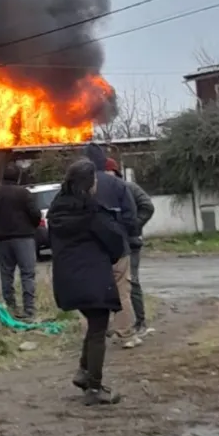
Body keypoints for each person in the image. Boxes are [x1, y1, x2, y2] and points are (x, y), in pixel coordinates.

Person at [47, 159, 126, 406]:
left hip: (67, 278)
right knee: (99, 330)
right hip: (92, 276)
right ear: (88, 184)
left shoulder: (57, 210)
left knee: (94, 325)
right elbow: (114, 240)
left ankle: (83, 373)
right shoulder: (91, 212)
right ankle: (94, 387)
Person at [84, 144, 140, 342]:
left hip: (90, 247)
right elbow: (131, 215)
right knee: (121, 290)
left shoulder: (78, 186)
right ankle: (126, 334)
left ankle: (98, 333)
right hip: (117, 246)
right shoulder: (117, 184)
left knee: (95, 290)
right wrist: (127, 234)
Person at [106, 159, 156, 341]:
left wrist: (134, 227)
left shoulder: (129, 188)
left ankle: (140, 322)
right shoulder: (103, 191)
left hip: (131, 243)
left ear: (115, 173)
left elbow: (148, 207)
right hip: (112, 244)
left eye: (108, 173)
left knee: (131, 281)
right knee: (112, 284)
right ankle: (120, 325)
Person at [0, 163, 41, 319]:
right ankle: (29, 309)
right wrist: (32, 226)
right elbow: (35, 214)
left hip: (3, 238)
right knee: (27, 273)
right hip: (24, 237)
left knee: (6, 273)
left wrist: (1, 227)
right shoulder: (24, 194)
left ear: (3, 177)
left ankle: (11, 308)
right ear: (18, 178)